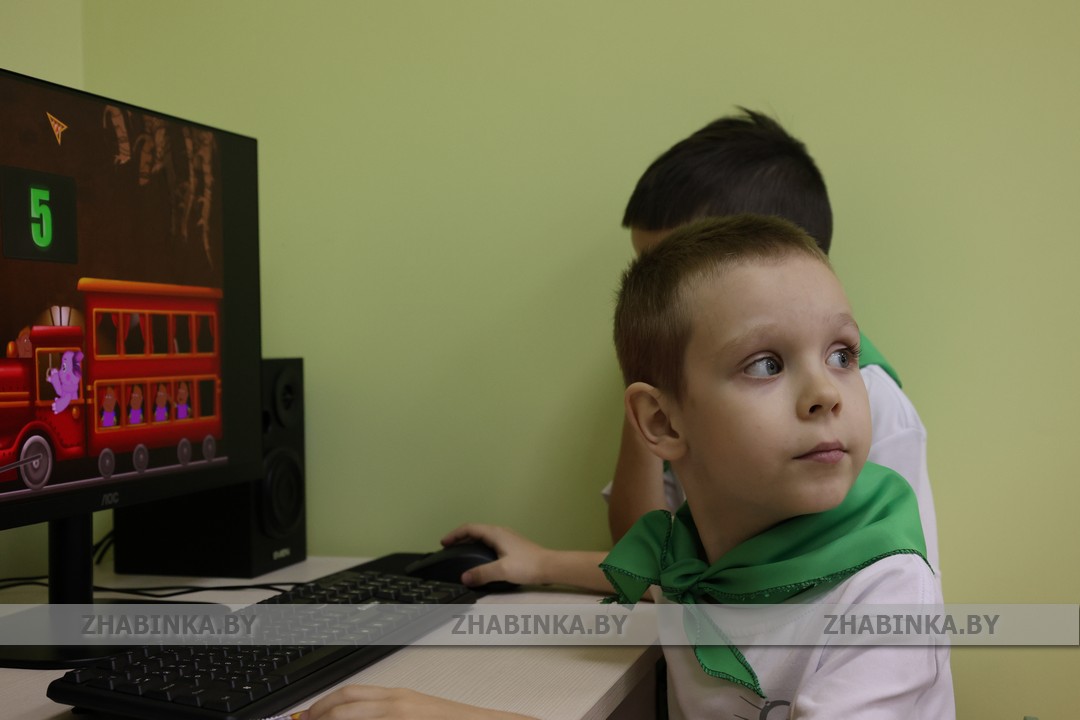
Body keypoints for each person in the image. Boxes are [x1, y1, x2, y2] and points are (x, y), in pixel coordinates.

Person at [303, 216, 953, 718]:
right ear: (662, 424)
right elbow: (665, 575)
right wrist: (541, 563)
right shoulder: (702, 556)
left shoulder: (887, 595)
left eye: (842, 354)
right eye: (767, 364)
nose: (827, 392)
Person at [606, 109, 940, 572]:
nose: (654, 291)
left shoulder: (870, 403)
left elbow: (895, 576)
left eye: (677, 261)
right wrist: (653, 378)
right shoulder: (691, 389)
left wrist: (546, 564)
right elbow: (646, 560)